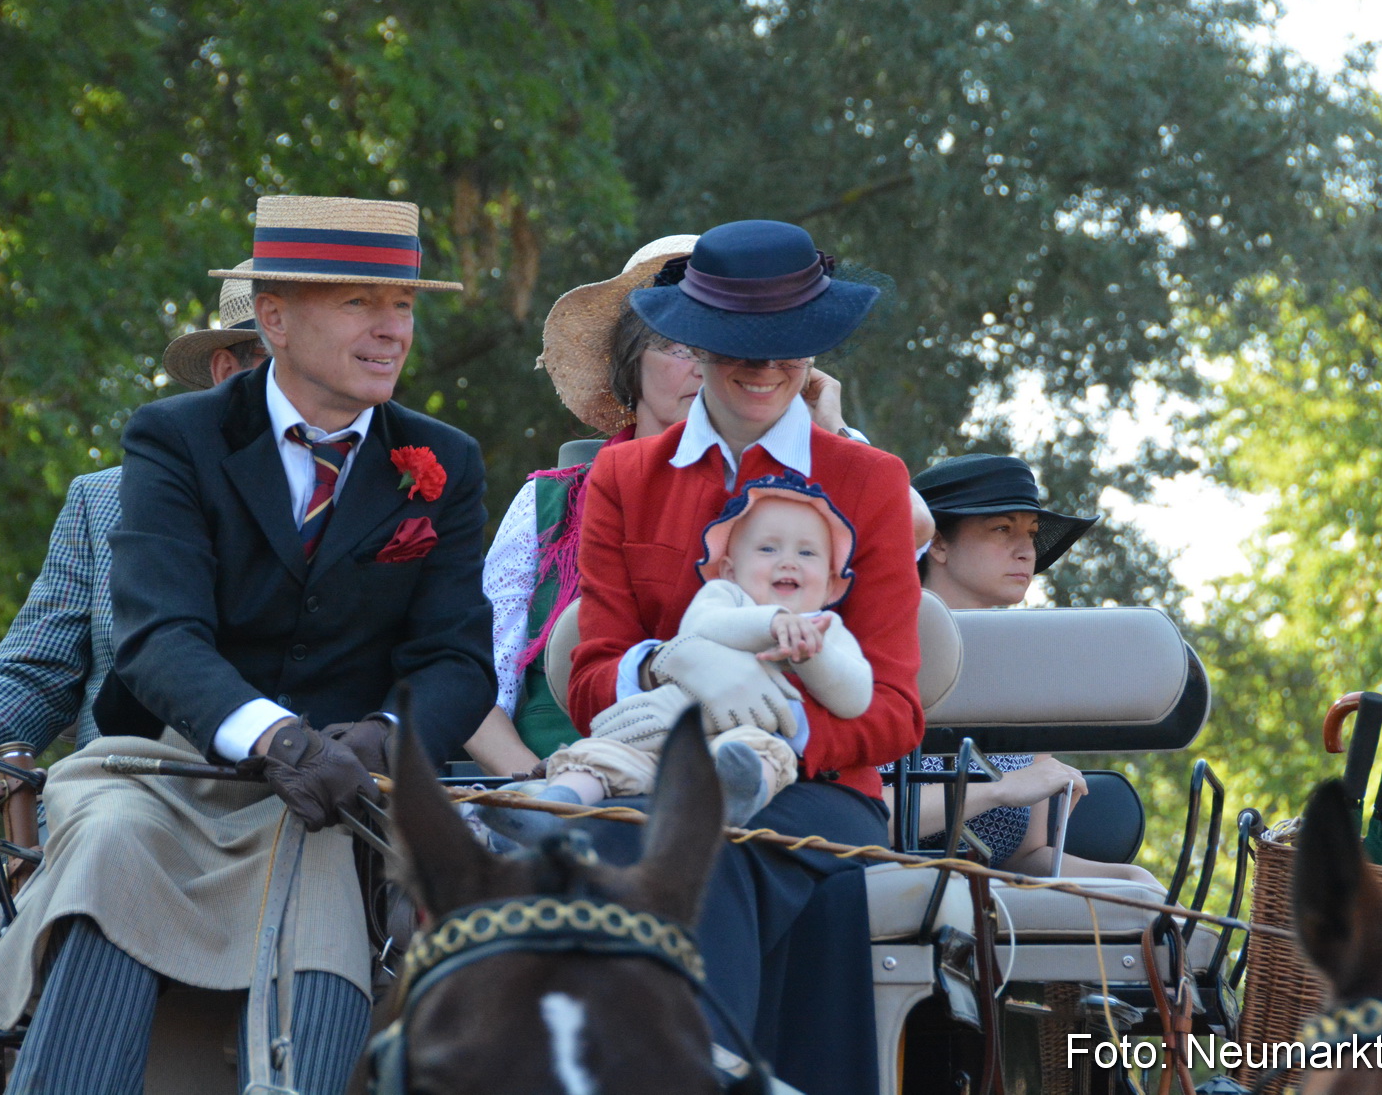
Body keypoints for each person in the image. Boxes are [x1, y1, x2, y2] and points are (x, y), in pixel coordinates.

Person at [0, 195, 495, 1095]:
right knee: (112, 844)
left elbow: (457, 661)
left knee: (331, 878)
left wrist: (380, 734)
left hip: (336, 795)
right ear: (276, 320)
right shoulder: (174, 438)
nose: (390, 330)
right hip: (163, 768)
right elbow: (158, 636)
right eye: (358, 303)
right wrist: (274, 736)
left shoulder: (442, 462)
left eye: (403, 304)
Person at [569, 219, 923, 1095]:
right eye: (739, 347)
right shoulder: (621, 478)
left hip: (820, 790)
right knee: (658, 839)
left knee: (708, 842)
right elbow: (587, 678)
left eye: (790, 347)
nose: (765, 370)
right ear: (693, 341)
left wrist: (780, 735)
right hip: (648, 771)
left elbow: (897, 714)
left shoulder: (871, 481)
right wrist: (674, 663)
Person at [468, 234, 914, 776]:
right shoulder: (608, 483)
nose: (762, 359)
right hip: (611, 774)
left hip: (805, 788)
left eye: (790, 335)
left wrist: (770, 729)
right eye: (689, 339)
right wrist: (663, 665)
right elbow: (504, 679)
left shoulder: (867, 477)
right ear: (637, 360)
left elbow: (894, 704)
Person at [0, 267, 267, 820]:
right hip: (119, 809)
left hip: (301, 807)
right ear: (229, 371)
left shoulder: (383, 495)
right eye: (289, 365)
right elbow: (36, 674)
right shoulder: (103, 499)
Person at [486, 471, 873, 839]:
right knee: (597, 756)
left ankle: (730, 803)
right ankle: (553, 809)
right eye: (768, 548)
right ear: (729, 569)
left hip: (737, 749)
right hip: (660, 738)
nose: (787, 561)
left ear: (832, 586)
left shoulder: (826, 630)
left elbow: (855, 696)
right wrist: (771, 622)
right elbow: (700, 629)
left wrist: (814, 657)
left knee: (765, 755)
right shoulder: (724, 598)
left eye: (807, 553)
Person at [909, 452, 1158, 884]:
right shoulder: (881, 654)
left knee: (1145, 893)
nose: (1026, 551)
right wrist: (998, 791)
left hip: (996, 919)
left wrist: (1133, 882)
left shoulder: (1023, 674)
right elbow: (863, 811)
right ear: (938, 542)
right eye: (1002, 529)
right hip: (885, 908)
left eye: (1032, 533)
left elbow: (1026, 858)